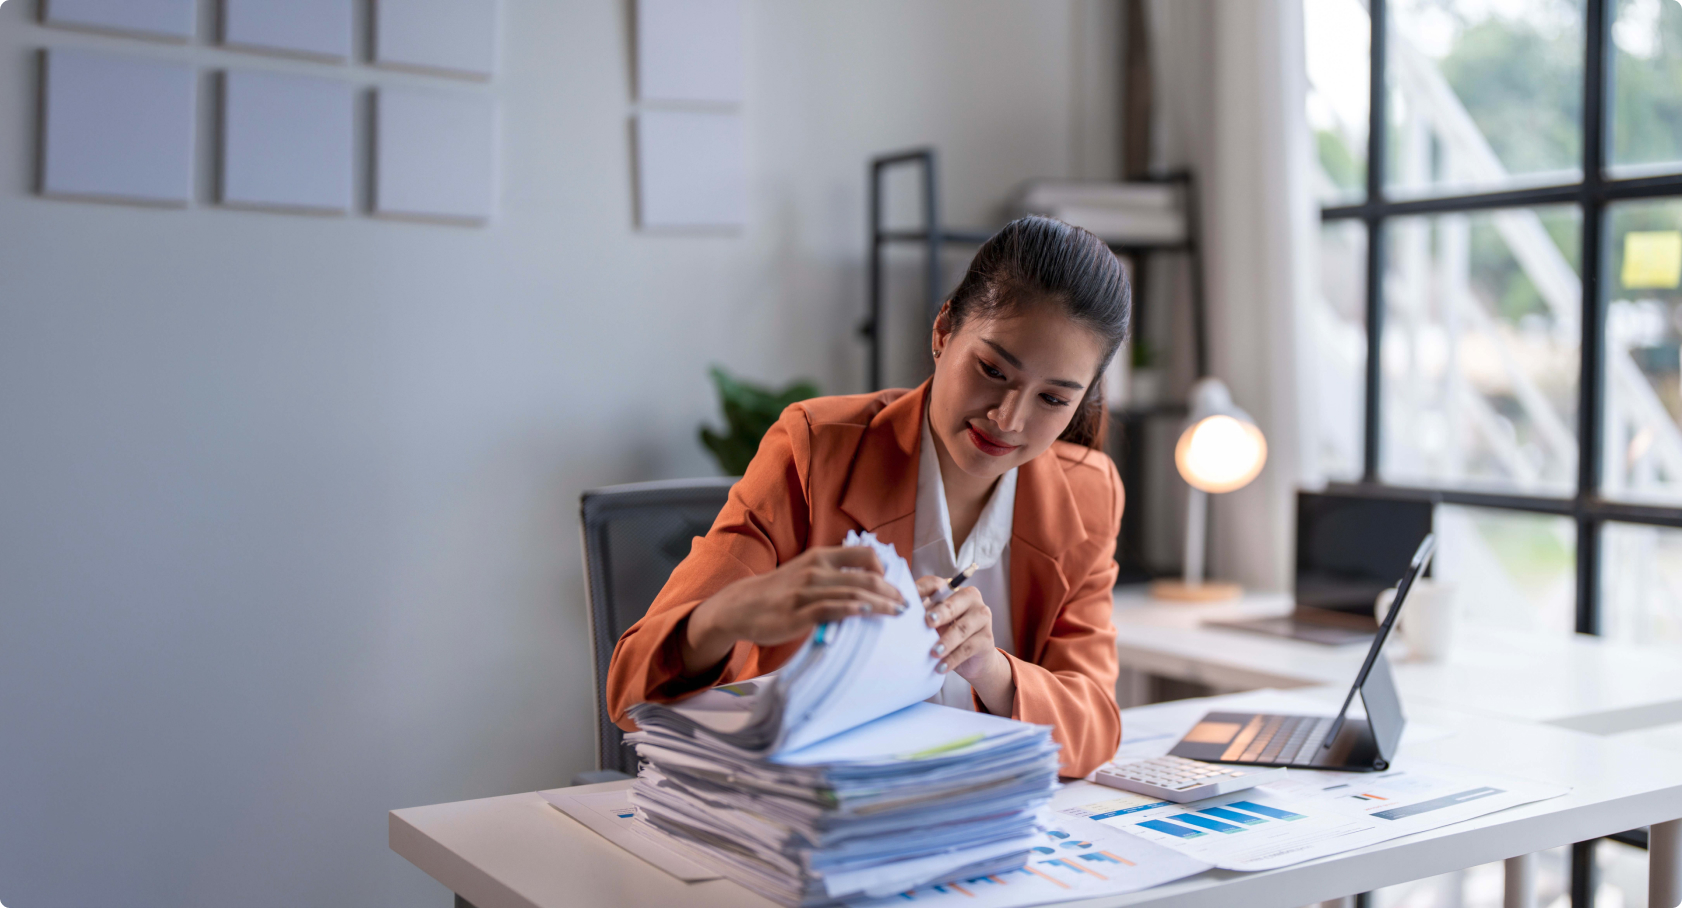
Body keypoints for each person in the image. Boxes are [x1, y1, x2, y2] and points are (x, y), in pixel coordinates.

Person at [605, 216, 1130, 778]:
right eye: (992, 370)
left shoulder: (1086, 490)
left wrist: (992, 669)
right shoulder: (814, 449)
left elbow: (1094, 726)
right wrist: (723, 616)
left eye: (1052, 399)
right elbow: (632, 694)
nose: (1008, 418)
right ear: (943, 332)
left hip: (977, 816)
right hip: (817, 815)